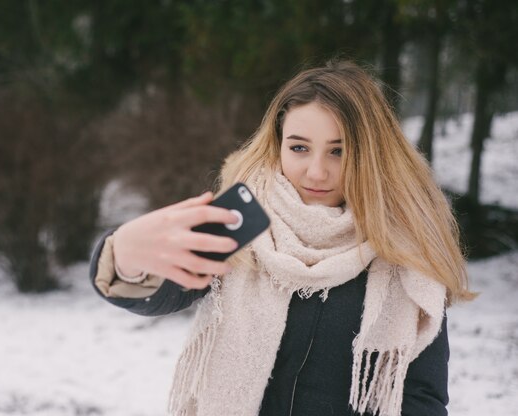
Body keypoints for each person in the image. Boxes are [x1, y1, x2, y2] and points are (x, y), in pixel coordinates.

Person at [89, 60, 474, 416]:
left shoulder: (404, 250)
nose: (317, 172)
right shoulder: (245, 218)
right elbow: (167, 289)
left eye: (339, 151)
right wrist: (122, 253)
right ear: (278, 143)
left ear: (370, 154)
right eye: (300, 148)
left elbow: (422, 397)